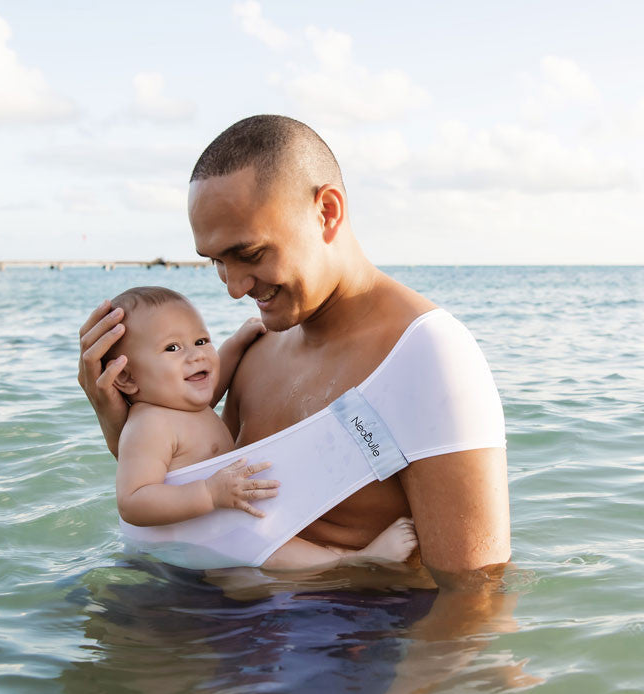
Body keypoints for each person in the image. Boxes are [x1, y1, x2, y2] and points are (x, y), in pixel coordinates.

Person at [78, 114, 510, 582]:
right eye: (217, 262)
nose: (235, 288)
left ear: (327, 212)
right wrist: (119, 418)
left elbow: (473, 595)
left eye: (250, 254)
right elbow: (201, 494)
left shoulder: (429, 357)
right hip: (213, 612)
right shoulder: (257, 350)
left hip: (340, 633)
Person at [105, 284, 418, 570]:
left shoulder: (181, 403)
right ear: (128, 378)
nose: (196, 355)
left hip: (216, 530)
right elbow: (133, 501)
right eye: (172, 348)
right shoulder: (149, 425)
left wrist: (235, 344)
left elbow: (214, 378)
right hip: (194, 537)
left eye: (201, 341)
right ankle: (353, 560)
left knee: (261, 538)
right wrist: (208, 493)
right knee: (271, 550)